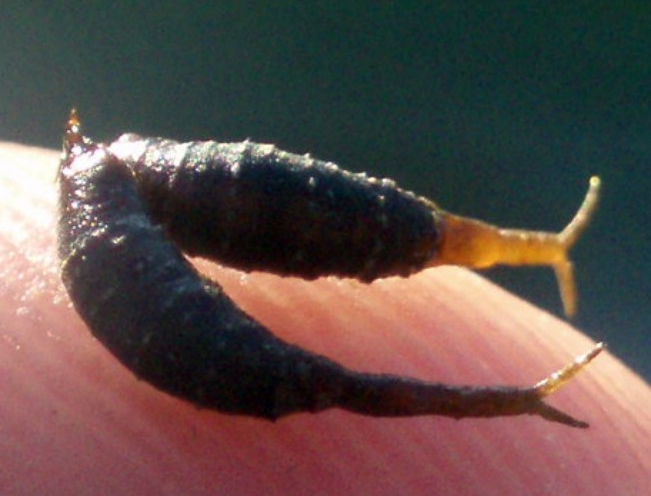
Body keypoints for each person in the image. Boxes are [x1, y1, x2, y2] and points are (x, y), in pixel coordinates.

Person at [1, 141, 649, 494]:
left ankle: (526, 264)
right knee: (326, 361)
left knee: (410, 243)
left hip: (123, 203)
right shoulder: (108, 182)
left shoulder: (106, 178)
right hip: (180, 304)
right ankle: (519, 341)